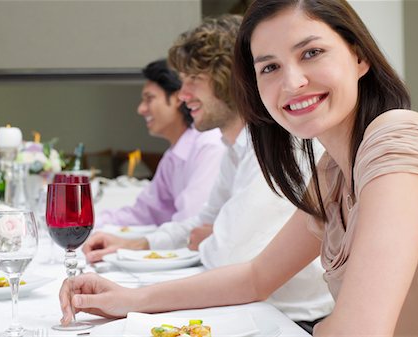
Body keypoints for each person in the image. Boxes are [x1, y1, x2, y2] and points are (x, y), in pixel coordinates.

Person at [60, 2, 418, 335]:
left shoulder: (393, 135)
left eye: (312, 53)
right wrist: (129, 299)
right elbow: (255, 276)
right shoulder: (332, 172)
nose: (292, 82)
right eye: (270, 67)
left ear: (359, 57)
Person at [81, 15, 333, 329]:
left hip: (291, 321)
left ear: (228, 79)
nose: (183, 94)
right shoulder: (238, 147)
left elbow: (228, 257)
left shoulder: (279, 146)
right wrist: (141, 244)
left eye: (193, 79)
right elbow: (202, 226)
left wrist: (209, 237)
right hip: (252, 310)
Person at [95, 59, 225, 228]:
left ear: (179, 97)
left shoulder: (209, 145)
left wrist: (138, 244)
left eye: (149, 99)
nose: (141, 109)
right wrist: (88, 222)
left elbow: (191, 222)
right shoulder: (173, 156)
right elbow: (145, 212)